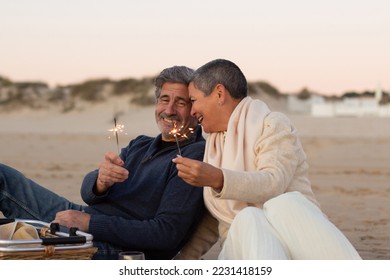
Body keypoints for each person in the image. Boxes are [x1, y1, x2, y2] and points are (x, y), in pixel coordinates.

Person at [0, 65, 206, 260]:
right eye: (164, 99)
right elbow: (87, 194)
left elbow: (166, 233)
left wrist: (89, 223)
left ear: (194, 109)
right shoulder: (140, 144)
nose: (169, 110)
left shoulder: (193, 156)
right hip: (82, 219)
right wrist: (100, 182)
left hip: (114, 246)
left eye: (180, 102)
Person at [173, 59, 362, 259]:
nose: (192, 112)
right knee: (248, 218)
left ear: (219, 94)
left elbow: (273, 182)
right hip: (242, 251)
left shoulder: (272, 125)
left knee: (280, 205)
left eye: (193, 100)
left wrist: (219, 179)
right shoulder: (214, 144)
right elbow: (217, 215)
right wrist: (183, 260)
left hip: (292, 241)